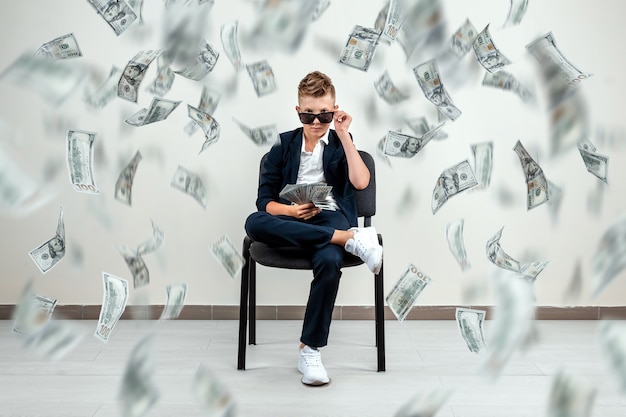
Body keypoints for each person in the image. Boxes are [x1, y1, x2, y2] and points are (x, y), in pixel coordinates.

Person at [244, 71, 383, 386]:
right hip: (291, 220)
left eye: (325, 115)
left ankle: (310, 350)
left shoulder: (338, 143)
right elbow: (264, 202)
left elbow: (361, 182)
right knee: (253, 223)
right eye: (309, 115)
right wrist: (291, 210)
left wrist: (345, 134)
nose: (317, 122)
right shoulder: (283, 145)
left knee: (330, 261)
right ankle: (351, 239)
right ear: (298, 111)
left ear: (334, 111)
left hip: (330, 215)